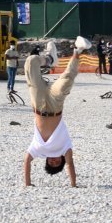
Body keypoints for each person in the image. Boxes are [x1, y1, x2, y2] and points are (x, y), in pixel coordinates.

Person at [23, 36, 91, 187]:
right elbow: (70, 164)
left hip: (38, 105)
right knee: (67, 80)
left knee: (31, 61)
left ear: (47, 160)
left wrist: (28, 184)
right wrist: (73, 184)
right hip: (55, 106)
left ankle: (48, 59)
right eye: (57, 163)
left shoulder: (38, 150)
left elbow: (27, 160)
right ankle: (78, 50)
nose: (54, 160)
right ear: (61, 160)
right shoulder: (64, 148)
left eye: (51, 162)